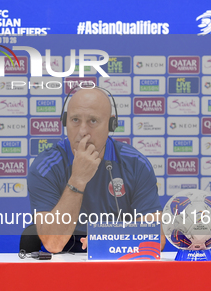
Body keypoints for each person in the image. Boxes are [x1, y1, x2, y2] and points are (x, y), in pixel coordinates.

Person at [27, 87, 164, 253]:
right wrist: (77, 180)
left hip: (118, 259)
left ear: (111, 124)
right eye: (75, 120)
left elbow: (155, 238)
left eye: (93, 121)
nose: (83, 131)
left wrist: (103, 239)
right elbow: (53, 243)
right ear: (65, 121)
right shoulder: (46, 167)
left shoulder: (136, 164)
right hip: (65, 264)